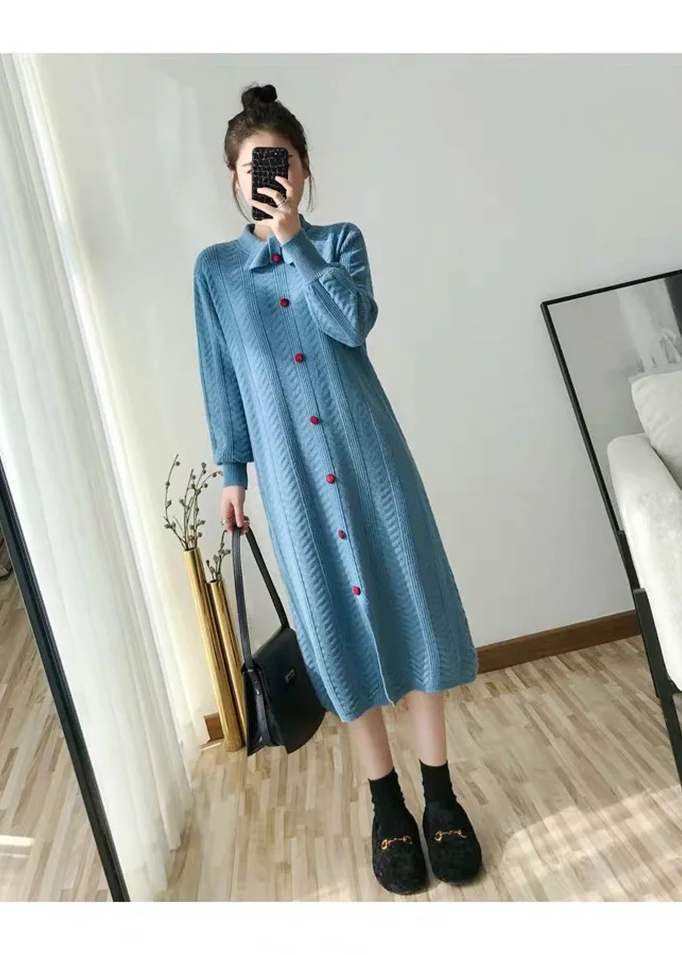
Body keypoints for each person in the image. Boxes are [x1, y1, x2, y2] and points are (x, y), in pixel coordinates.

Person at [194, 83, 482, 896]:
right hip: (292, 482)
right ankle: (387, 804)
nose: (268, 178)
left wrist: (295, 240)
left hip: (370, 463)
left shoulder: (339, 241)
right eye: (253, 168)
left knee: (414, 611)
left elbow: (351, 323)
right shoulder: (215, 273)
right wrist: (232, 472)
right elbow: (220, 377)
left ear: (303, 168)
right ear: (232, 179)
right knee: (333, 628)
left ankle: (441, 795)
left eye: (280, 163)